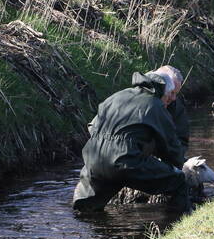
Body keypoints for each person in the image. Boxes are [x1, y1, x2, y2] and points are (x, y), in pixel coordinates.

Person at [72, 66, 190, 213]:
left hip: (94, 158)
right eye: (171, 94)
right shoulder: (156, 106)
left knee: (85, 208)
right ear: (162, 90)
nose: (173, 99)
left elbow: (92, 127)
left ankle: (84, 223)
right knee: (178, 181)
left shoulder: (117, 96)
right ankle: (178, 220)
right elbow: (171, 147)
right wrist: (177, 166)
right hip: (127, 162)